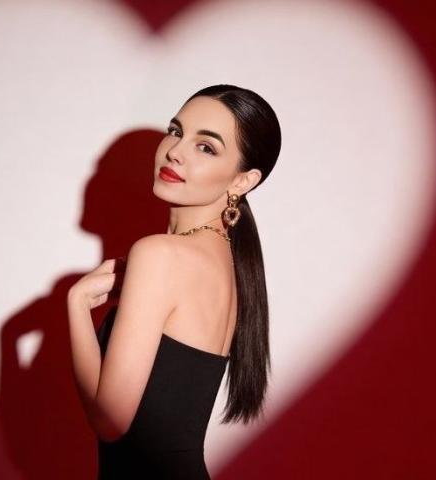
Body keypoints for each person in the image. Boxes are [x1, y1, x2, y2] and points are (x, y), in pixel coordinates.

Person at [67, 84, 282, 479]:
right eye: (176, 131)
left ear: (242, 181)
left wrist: (77, 304)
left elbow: (110, 421)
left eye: (206, 147)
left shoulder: (160, 254)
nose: (175, 151)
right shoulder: (228, 263)